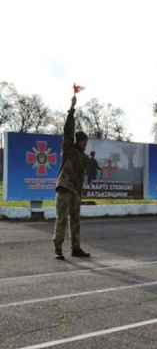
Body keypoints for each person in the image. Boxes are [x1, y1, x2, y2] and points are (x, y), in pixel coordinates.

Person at [53, 95, 91, 260]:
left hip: (75, 192)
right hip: (64, 188)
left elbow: (82, 177)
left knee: (75, 221)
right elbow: (68, 130)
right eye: (82, 141)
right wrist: (72, 108)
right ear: (77, 141)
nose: (84, 143)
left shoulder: (84, 158)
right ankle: (58, 248)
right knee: (61, 218)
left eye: (86, 141)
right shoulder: (68, 148)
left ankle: (76, 248)